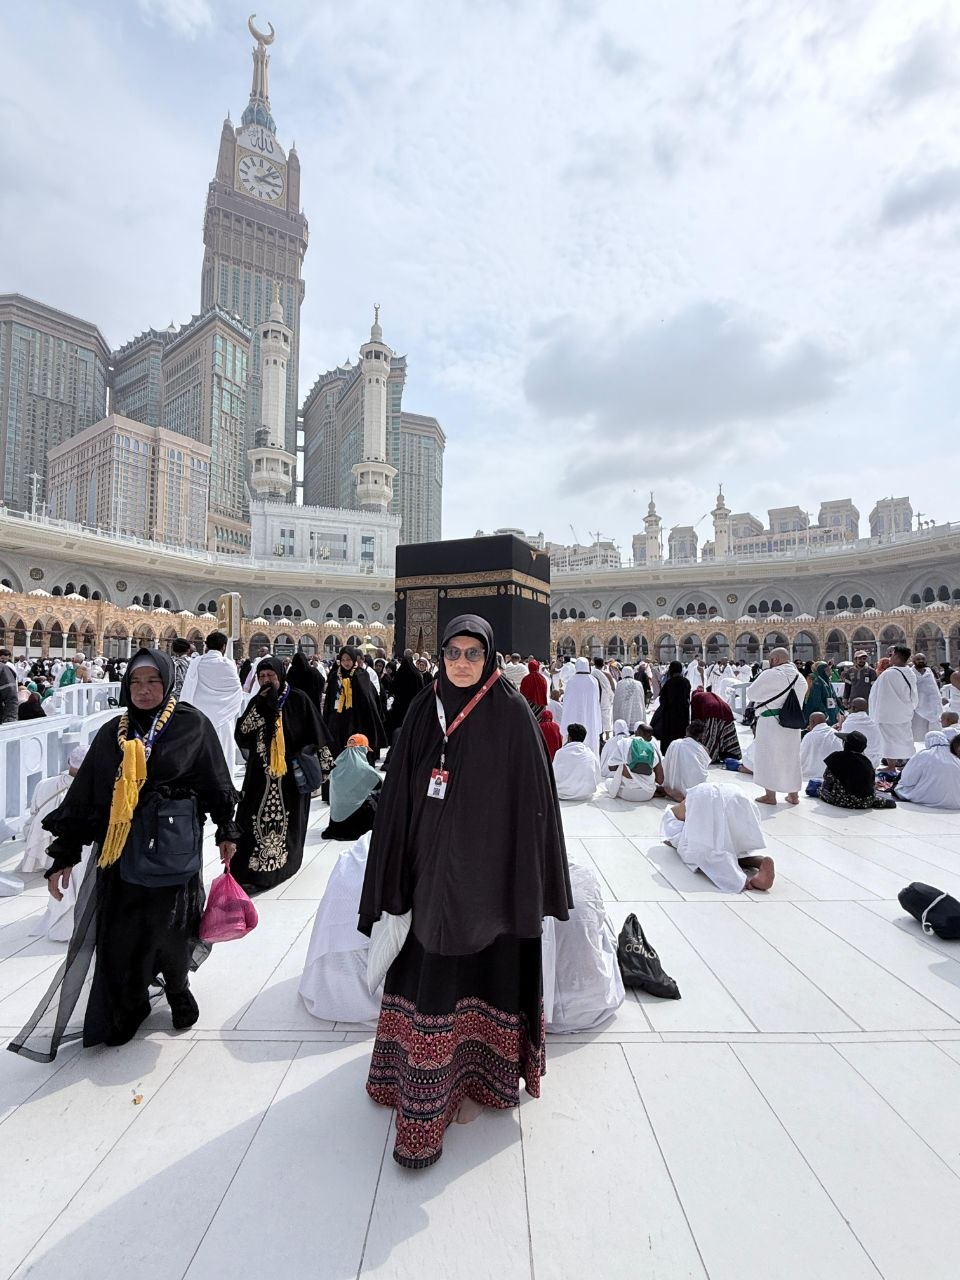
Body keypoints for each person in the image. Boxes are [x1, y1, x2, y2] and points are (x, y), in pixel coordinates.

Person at [358, 614, 572, 1169]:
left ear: (489, 657)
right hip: (427, 870)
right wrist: (394, 863)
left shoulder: (512, 713)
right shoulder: (423, 707)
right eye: (452, 652)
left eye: (472, 653)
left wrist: (522, 879)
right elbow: (399, 791)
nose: (460, 662)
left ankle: (478, 1080)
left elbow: (534, 805)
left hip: (490, 883)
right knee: (428, 965)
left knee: (479, 970)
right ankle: (417, 1080)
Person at [9, 650, 241, 1060]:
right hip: (120, 851)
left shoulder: (191, 725)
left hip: (171, 846)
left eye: (153, 682)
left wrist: (227, 829)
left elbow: (215, 779)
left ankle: (177, 987)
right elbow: (87, 796)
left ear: (167, 683)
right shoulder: (112, 733)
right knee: (123, 931)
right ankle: (130, 1003)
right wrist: (64, 855)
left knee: (171, 926)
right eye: (136, 682)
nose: (144, 690)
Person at [232, 657, 334, 894]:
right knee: (252, 818)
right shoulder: (257, 702)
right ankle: (251, 870)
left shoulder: (298, 699)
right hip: (260, 776)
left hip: (291, 776)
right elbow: (242, 733)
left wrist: (324, 766)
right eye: (262, 677)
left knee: (288, 820)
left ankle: (282, 865)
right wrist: (260, 709)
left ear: (280, 675)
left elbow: (317, 733)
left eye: (271, 676)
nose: (266, 680)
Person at [660, 782, 775, 892]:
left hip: (709, 798)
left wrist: (673, 842)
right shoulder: (694, 796)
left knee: (698, 852)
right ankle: (759, 861)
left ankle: (733, 874)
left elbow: (674, 833)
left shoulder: (673, 816)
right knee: (733, 847)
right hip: (739, 798)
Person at [177, 630, 245, 772]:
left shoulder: (196, 662)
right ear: (224, 646)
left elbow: (188, 688)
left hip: (200, 716)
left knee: (201, 754)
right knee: (224, 753)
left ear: (206, 646)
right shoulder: (228, 664)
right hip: (224, 717)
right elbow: (237, 691)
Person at [747, 648, 807, 805]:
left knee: (768, 757)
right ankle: (793, 795)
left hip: (770, 721)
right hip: (792, 723)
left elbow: (752, 694)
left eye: (771, 659)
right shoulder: (800, 677)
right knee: (791, 758)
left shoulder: (771, 674)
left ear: (776, 659)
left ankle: (770, 796)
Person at [19, 745, 89, 873]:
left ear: (69, 762)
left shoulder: (43, 784)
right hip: (69, 852)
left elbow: (33, 811)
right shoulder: (88, 792)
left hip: (39, 844)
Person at [323, 645, 388, 759]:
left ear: (354, 660)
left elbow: (368, 698)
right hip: (338, 718)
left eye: (348, 659)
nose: (346, 663)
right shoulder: (335, 676)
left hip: (357, 720)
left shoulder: (361, 675)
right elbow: (329, 699)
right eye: (343, 660)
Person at [321, 734, 382, 840]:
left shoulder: (336, 769)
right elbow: (383, 789)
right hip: (356, 824)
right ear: (362, 749)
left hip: (336, 824)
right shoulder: (366, 770)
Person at [820, 730, 896, 810]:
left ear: (846, 744)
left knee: (818, 788)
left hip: (843, 800)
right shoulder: (867, 762)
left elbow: (827, 777)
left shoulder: (836, 757)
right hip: (866, 801)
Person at [870, 644, 919, 766]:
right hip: (905, 712)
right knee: (905, 739)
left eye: (891, 655)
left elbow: (878, 694)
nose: (890, 658)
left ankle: (891, 766)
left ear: (896, 656)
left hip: (888, 715)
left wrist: (876, 712)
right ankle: (909, 762)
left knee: (888, 741)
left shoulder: (888, 674)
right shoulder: (910, 673)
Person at [894, 732, 960, 809]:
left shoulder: (923, 755)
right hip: (956, 802)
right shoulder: (956, 756)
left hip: (928, 799)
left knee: (899, 788)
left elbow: (907, 780)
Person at [603, 725, 663, 802]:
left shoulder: (624, 743)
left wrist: (625, 764)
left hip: (628, 794)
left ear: (636, 732)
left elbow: (611, 767)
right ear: (650, 738)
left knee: (608, 781)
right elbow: (660, 780)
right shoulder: (653, 749)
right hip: (648, 794)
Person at [559, 657, 602, 752]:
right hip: (590, 718)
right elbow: (597, 703)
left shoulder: (571, 681)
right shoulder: (593, 681)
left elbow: (567, 703)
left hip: (574, 717)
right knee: (590, 742)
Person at [661, 720, 711, 801]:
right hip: (695, 790)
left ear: (687, 730)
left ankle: (674, 792)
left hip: (674, 788)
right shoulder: (704, 750)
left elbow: (666, 765)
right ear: (701, 736)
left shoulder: (675, 743)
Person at [690, 686, 741, 762]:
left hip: (712, 711)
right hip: (726, 710)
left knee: (711, 736)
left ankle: (709, 756)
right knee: (726, 731)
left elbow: (696, 717)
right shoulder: (705, 695)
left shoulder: (695, 698)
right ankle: (733, 754)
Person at [553, 723, 602, 799]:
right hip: (586, 794)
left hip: (563, 793)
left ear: (569, 737)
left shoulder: (560, 753)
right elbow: (598, 777)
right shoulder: (590, 753)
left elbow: (553, 774)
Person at [651, 660, 691, 752]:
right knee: (681, 736)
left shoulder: (669, 683)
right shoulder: (686, 682)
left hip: (669, 716)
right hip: (683, 714)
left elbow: (662, 700)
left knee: (669, 739)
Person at [839, 698, 884, 768]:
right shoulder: (873, 723)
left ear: (853, 708)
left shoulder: (848, 723)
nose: (848, 709)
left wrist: (840, 725)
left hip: (854, 762)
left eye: (849, 707)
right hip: (873, 762)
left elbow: (842, 743)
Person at [800, 712, 841, 780]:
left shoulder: (809, 736)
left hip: (810, 776)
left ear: (812, 722)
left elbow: (802, 756)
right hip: (832, 775)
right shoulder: (836, 733)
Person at [285, 648, 326, 714]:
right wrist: (317, 692)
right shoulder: (312, 671)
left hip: (296, 702)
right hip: (312, 701)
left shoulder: (291, 672)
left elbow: (287, 685)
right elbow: (322, 681)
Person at [912, 654, 942, 742]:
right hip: (917, 708)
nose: (920, 661)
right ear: (914, 661)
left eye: (923, 659)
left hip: (932, 707)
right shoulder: (910, 673)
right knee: (918, 732)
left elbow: (934, 689)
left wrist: (938, 701)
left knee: (933, 732)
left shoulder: (929, 672)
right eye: (918, 659)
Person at [802, 661, 841, 725]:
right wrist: (825, 713)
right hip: (821, 713)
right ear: (822, 671)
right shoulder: (817, 683)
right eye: (827, 670)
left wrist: (838, 709)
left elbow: (834, 696)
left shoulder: (828, 682)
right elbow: (817, 701)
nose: (830, 672)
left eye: (830, 670)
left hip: (830, 710)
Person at [612, 665, 646, 729]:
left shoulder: (620, 683)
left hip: (623, 710)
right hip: (637, 710)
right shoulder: (638, 683)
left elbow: (617, 700)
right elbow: (642, 698)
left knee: (624, 725)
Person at [591, 657, 616, 740]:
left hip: (596, 697)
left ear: (594, 664)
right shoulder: (607, 674)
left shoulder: (592, 674)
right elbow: (612, 687)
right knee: (606, 715)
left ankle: (599, 734)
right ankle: (607, 734)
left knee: (596, 715)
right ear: (603, 665)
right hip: (605, 698)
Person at [0, 647, 19, 724]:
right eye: (2, 659)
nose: (4, 661)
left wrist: (10, 718)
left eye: (6, 659)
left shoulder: (6, 668)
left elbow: (10, 694)